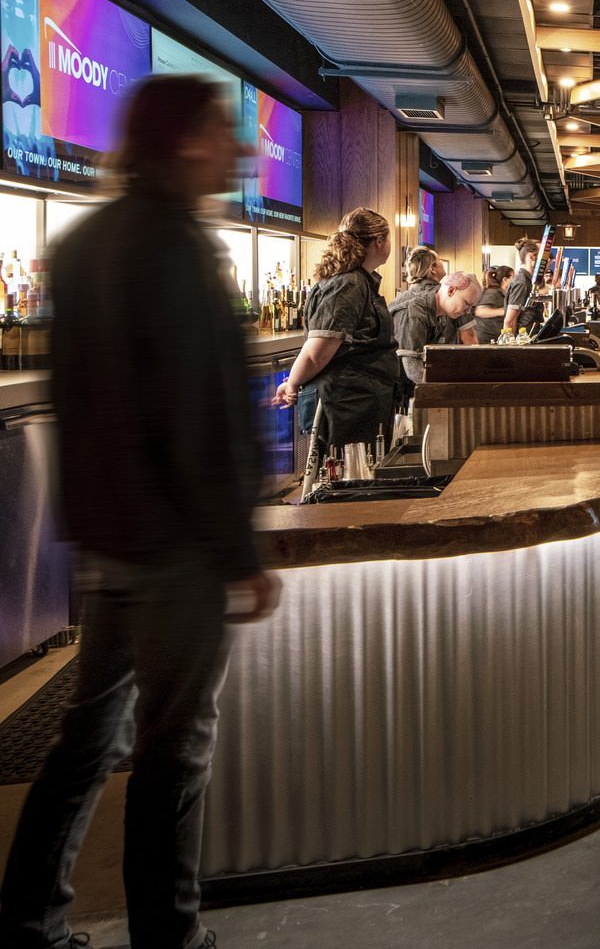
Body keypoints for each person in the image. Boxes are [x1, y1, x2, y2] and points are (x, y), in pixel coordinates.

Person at [1, 76, 278, 949]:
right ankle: (171, 934)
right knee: (175, 747)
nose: (239, 151)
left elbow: (77, 398)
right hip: (180, 550)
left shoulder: (83, 244)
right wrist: (240, 550)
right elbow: (199, 418)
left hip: (109, 541)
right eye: (224, 133)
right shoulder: (180, 248)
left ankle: (29, 916)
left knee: (87, 735)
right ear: (185, 140)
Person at [278, 208, 398, 479]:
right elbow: (316, 352)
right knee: (343, 484)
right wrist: (293, 383)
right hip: (346, 404)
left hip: (360, 402)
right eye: (390, 239)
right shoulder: (349, 284)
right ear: (379, 240)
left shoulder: (359, 281)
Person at [390, 270, 480, 385]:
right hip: (389, 384)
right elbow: (413, 370)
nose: (468, 311)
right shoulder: (415, 311)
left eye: (471, 307)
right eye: (467, 304)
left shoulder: (445, 311)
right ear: (451, 291)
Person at [501, 234, 541, 334]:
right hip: (522, 343)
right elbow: (509, 322)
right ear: (532, 257)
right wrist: (513, 349)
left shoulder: (528, 281)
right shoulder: (522, 283)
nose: (548, 260)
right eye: (544, 256)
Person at [471, 266, 508, 343]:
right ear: (505, 279)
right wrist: (504, 311)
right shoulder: (492, 292)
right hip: (485, 337)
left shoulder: (499, 293)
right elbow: (480, 311)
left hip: (491, 335)